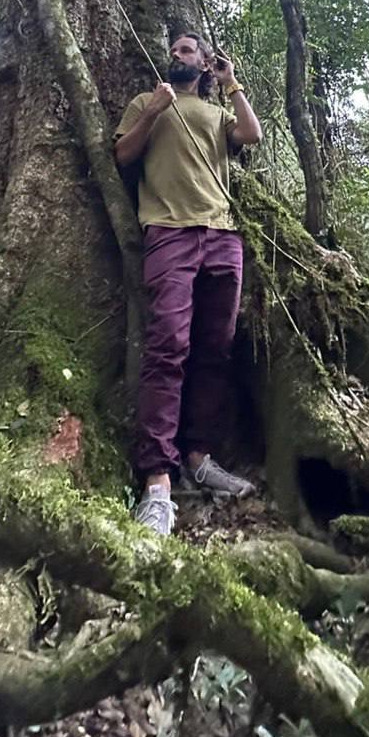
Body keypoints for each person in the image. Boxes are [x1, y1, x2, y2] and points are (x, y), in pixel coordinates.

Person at [114, 33, 263, 536]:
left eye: (187, 51)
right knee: (168, 347)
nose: (178, 55)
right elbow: (123, 155)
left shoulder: (216, 112)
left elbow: (252, 134)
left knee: (214, 350)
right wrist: (154, 109)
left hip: (222, 238)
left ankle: (199, 456)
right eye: (174, 50)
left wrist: (232, 82)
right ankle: (158, 480)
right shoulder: (145, 102)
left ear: (202, 63)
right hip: (169, 233)